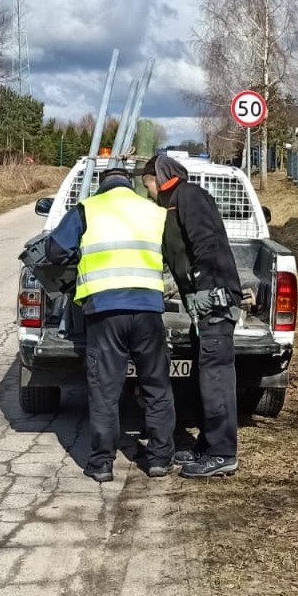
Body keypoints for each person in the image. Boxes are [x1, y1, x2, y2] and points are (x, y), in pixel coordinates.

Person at [44, 166, 175, 482]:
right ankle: (159, 459)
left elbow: (55, 251)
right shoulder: (154, 211)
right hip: (148, 310)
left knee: (105, 390)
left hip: (104, 311)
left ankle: (102, 464)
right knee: (156, 385)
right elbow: (172, 255)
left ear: (102, 186)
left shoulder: (87, 209)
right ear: (131, 185)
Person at [141, 154, 242, 478]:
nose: (148, 193)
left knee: (216, 377)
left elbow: (206, 246)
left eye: (148, 185)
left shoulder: (189, 196)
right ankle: (208, 444)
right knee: (206, 373)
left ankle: (223, 453)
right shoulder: (171, 206)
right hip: (203, 302)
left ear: (160, 178)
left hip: (214, 301)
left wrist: (203, 289)